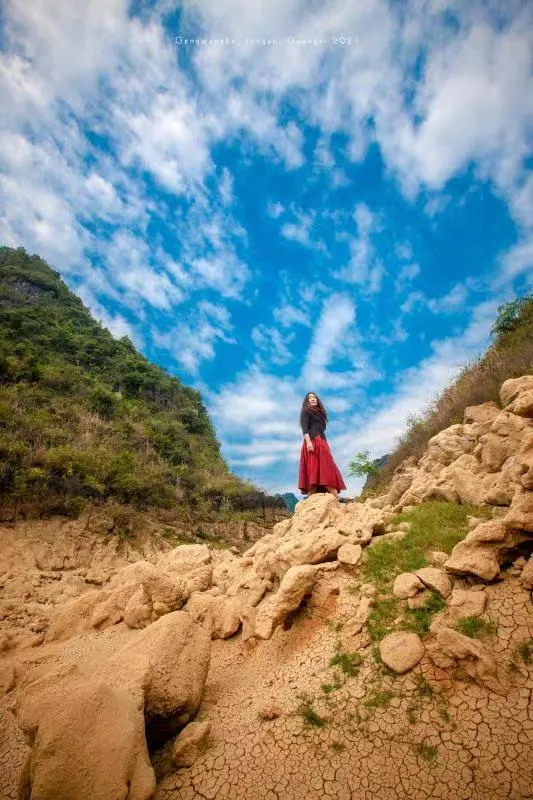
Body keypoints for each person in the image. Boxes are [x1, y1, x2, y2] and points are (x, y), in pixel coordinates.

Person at [298, 391, 347, 498]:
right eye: (310, 398)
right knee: (317, 467)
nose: (312, 399)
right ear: (307, 401)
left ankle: (313, 497)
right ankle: (334, 495)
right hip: (312, 441)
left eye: (314, 397)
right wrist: (309, 442)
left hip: (322, 441)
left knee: (326, 466)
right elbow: (305, 429)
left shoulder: (320, 414)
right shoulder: (306, 411)